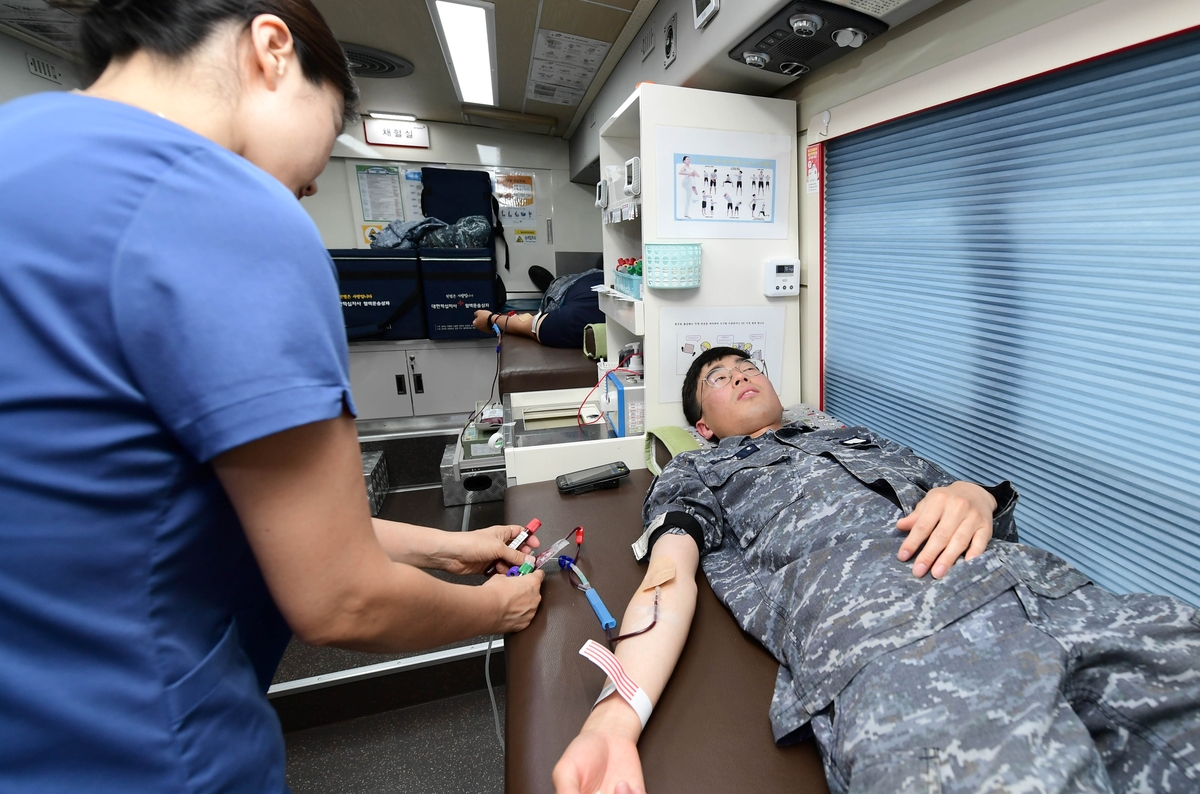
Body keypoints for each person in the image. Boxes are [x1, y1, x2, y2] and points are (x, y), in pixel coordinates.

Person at [0, 2, 543, 792]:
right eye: (332, 124)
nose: (318, 176)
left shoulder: (21, 145)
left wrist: (449, 547)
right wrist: (494, 613)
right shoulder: (224, 204)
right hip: (143, 751)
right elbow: (342, 600)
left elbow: (180, 500)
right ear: (272, 48)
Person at [553, 346, 1200, 794]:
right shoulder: (700, 474)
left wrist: (975, 494)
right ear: (703, 426)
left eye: (747, 365)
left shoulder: (854, 436)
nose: (741, 375)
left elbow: (978, 515)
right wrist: (615, 717)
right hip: (902, 648)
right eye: (719, 378)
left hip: (1049, 596)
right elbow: (668, 575)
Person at [472, 266, 605, 349]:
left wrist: (490, 319)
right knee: (557, 288)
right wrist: (491, 319)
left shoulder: (575, 318)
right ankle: (550, 286)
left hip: (592, 277)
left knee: (555, 291)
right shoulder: (579, 317)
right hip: (575, 285)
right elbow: (531, 324)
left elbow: (532, 325)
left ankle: (550, 286)